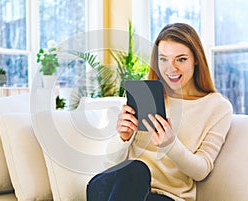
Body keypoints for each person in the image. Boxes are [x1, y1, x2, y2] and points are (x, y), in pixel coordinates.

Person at [87, 23, 233, 201]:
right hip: (117, 185)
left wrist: (171, 144)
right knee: (124, 174)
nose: (171, 69)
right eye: (163, 59)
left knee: (137, 171)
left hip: (164, 195)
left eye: (181, 59)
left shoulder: (217, 107)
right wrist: (122, 138)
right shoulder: (145, 94)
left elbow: (201, 170)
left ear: (196, 59)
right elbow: (110, 164)